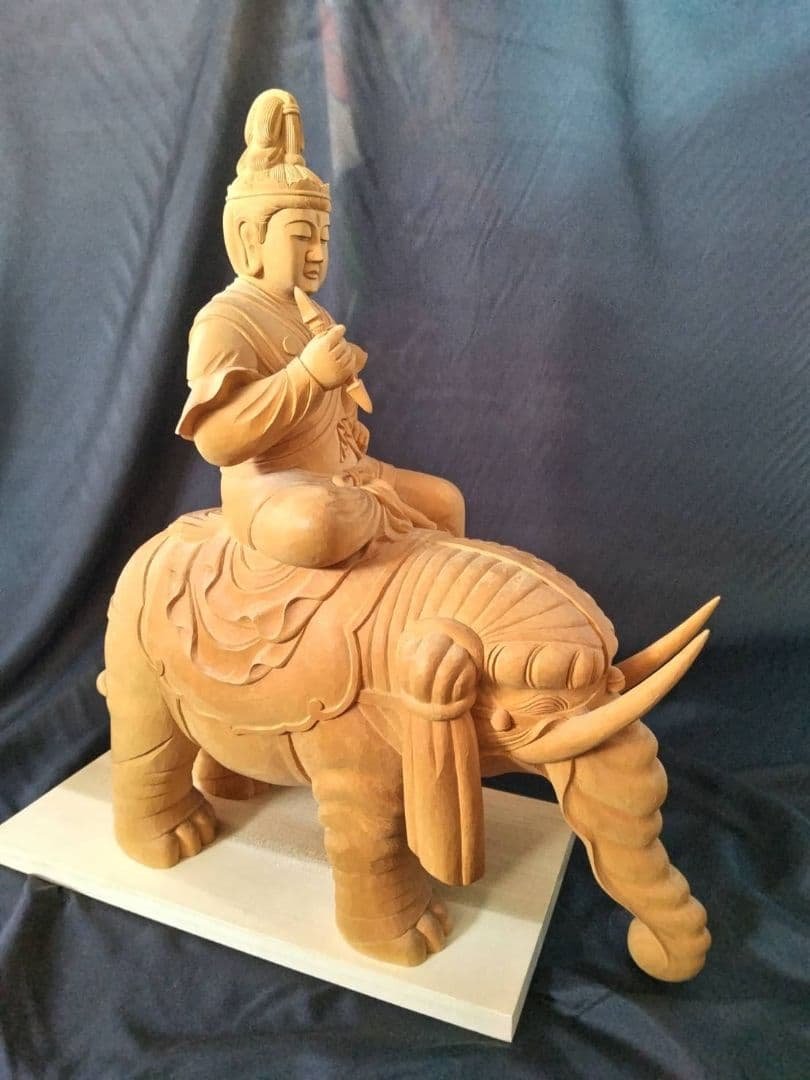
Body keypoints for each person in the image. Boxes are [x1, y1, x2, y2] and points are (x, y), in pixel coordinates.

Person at [176, 89, 464, 568]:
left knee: (444, 500)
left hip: (344, 473)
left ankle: (415, 573)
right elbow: (216, 440)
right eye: (300, 236)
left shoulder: (315, 316)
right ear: (249, 237)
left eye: (324, 239)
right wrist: (306, 377)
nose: (316, 253)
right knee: (319, 525)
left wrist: (345, 402)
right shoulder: (224, 320)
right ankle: (382, 524)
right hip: (273, 486)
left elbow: (339, 421)